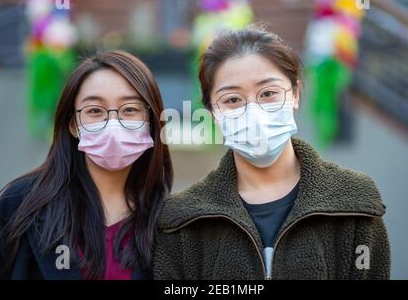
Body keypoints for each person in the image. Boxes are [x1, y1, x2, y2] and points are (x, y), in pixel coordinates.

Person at [153, 25, 390, 280]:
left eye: (268, 93)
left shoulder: (356, 201)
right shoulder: (183, 219)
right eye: (232, 99)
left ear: (296, 93)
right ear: (213, 112)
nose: (253, 112)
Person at [0, 50, 173, 280]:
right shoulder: (21, 205)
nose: (113, 124)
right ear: (73, 125)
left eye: (130, 110)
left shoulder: (171, 222)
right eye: (95, 111)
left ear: (151, 122)